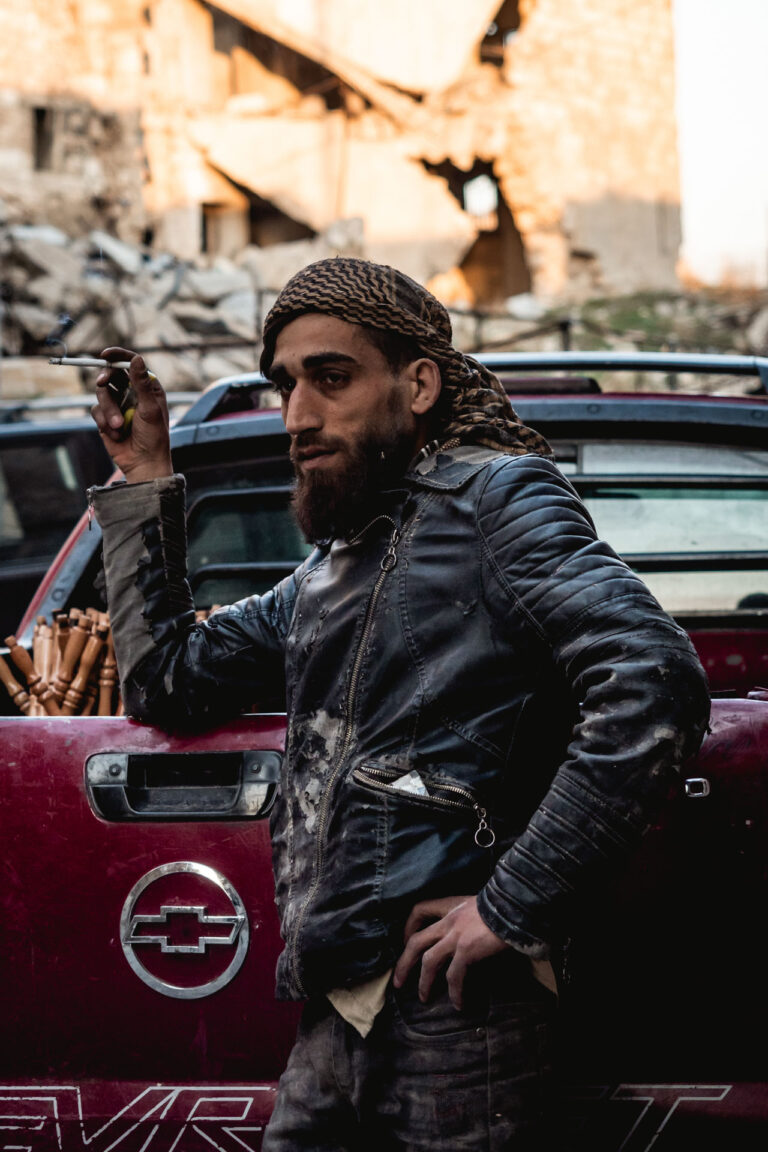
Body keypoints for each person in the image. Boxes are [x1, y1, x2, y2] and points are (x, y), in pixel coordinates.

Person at [89, 257, 710, 1150]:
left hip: (455, 1016)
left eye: (331, 379)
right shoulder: (330, 572)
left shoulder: (493, 498)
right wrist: (145, 473)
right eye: (286, 386)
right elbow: (169, 680)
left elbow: (653, 680)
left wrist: (512, 905)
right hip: (335, 1006)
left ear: (418, 384)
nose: (299, 416)